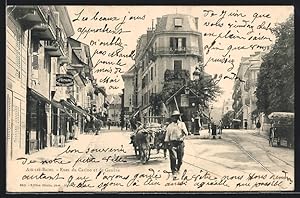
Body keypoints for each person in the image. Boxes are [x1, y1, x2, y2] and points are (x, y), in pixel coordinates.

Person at [164, 110, 188, 180]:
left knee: (180, 160)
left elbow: (186, 133)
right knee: (173, 158)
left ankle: (177, 169)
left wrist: (184, 132)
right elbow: (167, 136)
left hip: (180, 143)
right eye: (174, 117)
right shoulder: (169, 126)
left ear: (178, 117)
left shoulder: (182, 124)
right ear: (172, 118)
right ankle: (174, 172)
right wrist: (167, 143)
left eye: (177, 117)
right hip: (172, 143)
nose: (175, 118)